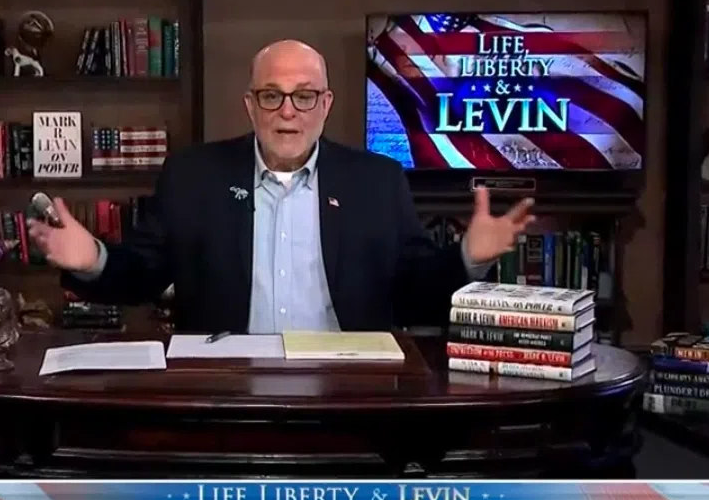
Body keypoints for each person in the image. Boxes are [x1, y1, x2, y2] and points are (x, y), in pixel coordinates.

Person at [28, 39, 535, 332]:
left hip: (353, 392)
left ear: (326, 105)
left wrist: (467, 258)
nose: (288, 111)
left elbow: (415, 293)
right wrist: (92, 259)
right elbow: (141, 276)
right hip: (225, 389)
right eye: (272, 96)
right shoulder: (194, 177)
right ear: (251, 106)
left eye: (304, 96)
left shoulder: (377, 181)